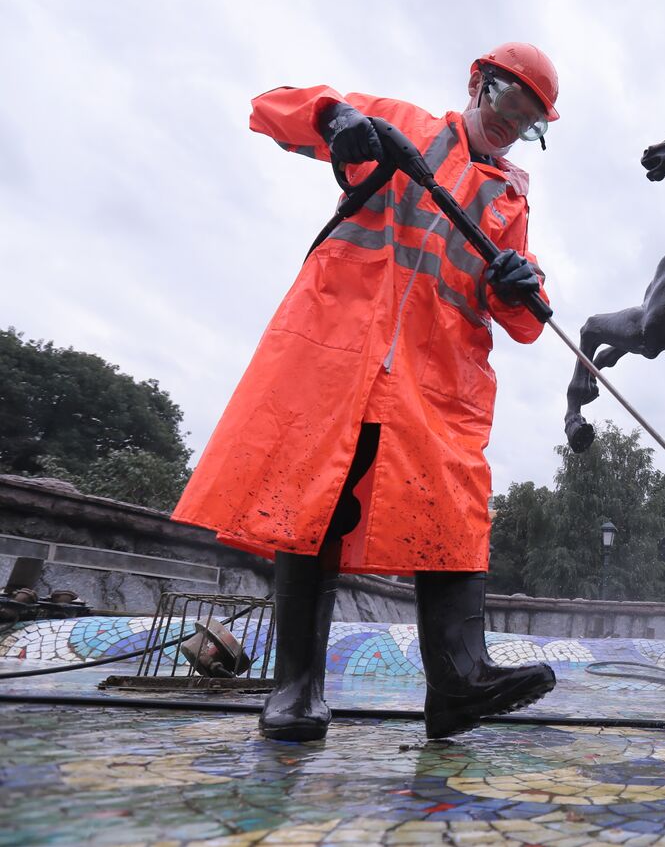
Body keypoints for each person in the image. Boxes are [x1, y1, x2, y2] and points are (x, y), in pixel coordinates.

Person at [172, 42, 561, 742]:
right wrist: (333, 116)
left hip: (439, 378)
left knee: (454, 507)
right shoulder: (400, 126)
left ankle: (457, 684)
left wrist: (520, 288)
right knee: (313, 503)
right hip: (339, 350)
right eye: (508, 103)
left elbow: (527, 322)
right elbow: (269, 108)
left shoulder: (509, 200)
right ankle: (295, 690)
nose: (512, 124)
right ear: (479, 83)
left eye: (531, 119)